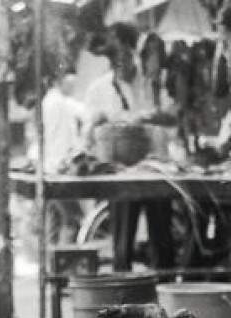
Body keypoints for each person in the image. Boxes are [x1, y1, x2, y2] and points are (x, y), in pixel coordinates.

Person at [84, 23, 176, 272]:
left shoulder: (152, 82)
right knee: (123, 244)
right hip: (122, 172)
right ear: (112, 61)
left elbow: (173, 115)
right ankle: (123, 297)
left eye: (128, 54)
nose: (124, 61)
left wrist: (147, 117)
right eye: (118, 57)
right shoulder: (99, 89)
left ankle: (165, 293)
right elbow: (89, 134)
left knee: (162, 242)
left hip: (156, 169)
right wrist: (98, 123)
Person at [31, 73, 88, 243]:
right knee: (74, 220)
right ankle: (66, 265)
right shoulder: (61, 104)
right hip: (59, 171)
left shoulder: (46, 103)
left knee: (53, 222)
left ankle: (52, 264)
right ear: (58, 81)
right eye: (70, 81)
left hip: (48, 170)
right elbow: (88, 114)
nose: (73, 86)